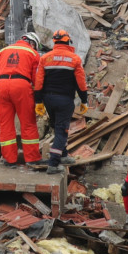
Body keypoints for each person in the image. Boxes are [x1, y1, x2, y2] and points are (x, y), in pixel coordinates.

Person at [33, 29, 88, 173]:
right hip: (65, 100)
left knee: (57, 127)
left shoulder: (45, 58)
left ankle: (63, 155)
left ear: (54, 41)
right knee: (62, 130)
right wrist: (84, 100)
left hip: (48, 99)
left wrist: (38, 101)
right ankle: (53, 164)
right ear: (68, 41)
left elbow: (38, 82)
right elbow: (81, 83)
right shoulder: (75, 59)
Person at [0, 33, 42, 165]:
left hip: (2, 86)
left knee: (5, 125)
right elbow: (36, 79)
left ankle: (9, 159)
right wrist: (38, 99)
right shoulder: (33, 53)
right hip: (21, 86)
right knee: (28, 123)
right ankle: (32, 159)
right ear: (32, 43)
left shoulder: (3, 51)